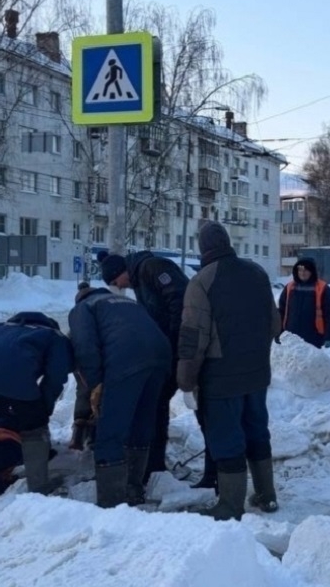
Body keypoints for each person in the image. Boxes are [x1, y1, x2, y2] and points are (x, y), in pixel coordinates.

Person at [177, 221, 282, 521]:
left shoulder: (201, 282)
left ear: (203, 248)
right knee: (257, 431)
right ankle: (266, 494)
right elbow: (274, 322)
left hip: (221, 378)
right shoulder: (257, 272)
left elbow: (192, 338)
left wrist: (186, 380)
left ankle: (230, 505)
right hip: (258, 372)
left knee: (227, 437)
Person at [102, 250, 218, 489]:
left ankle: (214, 473)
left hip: (184, 348)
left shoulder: (151, 267)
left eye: (116, 282)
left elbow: (179, 301)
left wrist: (174, 341)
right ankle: (154, 466)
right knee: (156, 404)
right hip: (171, 350)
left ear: (120, 272)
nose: (120, 287)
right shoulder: (141, 277)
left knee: (202, 410)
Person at [0, 311, 73, 517]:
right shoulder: (53, 336)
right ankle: (39, 490)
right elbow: (55, 376)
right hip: (17, 378)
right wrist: (44, 408)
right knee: (34, 428)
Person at [69, 276, 172, 508]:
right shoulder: (126, 303)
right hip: (161, 356)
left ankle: (111, 502)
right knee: (141, 422)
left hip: (127, 359)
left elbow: (85, 346)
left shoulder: (83, 308)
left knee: (111, 430)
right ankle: (134, 489)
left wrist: (96, 383)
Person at [277, 257, 330, 349]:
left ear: (312, 271)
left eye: (306, 270)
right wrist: (278, 332)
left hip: (313, 338)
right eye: (300, 270)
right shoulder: (289, 287)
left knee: (310, 363)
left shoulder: (323, 288)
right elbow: (281, 312)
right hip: (290, 337)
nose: (303, 273)